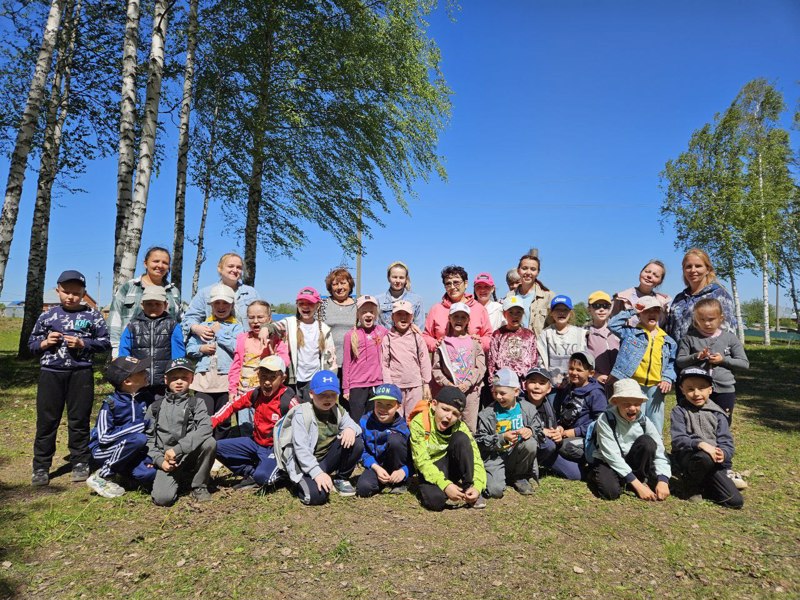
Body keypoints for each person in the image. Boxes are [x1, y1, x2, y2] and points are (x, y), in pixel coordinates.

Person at [29, 270, 112, 487]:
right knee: (47, 421)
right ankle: (41, 466)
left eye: (76, 293)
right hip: (51, 374)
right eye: (66, 292)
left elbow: (104, 343)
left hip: (81, 373)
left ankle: (80, 462)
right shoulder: (47, 315)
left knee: (79, 420)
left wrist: (84, 344)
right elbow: (32, 344)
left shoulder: (93, 315)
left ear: (84, 293)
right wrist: (46, 343)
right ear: (58, 291)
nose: (71, 297)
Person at [276, 370, 364, 505]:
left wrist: (350, 429)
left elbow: (355, 426)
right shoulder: (302, 414)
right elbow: (301, 450)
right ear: (311, 394)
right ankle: (297, 480)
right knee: (317, 496)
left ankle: (340, 479)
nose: (328, 399)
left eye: (332, 395)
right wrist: (317, 473)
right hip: (304, 464)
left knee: (356, 441)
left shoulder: (338, 410)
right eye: (322, 395)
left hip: (326, 459)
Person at [213, 356, 299, 490]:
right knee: (214, 447)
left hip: (275, 449)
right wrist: (212, 421)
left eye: (273, 377)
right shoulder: (255, 394)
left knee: (263, 477)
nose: (267, 382)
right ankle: (251, 473)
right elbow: (232, 405)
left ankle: (281, 473)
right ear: (258, 376)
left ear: (283, 378)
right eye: (263, 376)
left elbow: (305, 424)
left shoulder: (289, 400)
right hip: (255, 443)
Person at [586, 378, 671, 502]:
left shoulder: (644, 421)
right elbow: (611, 456)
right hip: (608, 461)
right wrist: (637, 485)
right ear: (615, 402)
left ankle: (634, 479)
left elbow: (659, 450)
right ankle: (597, 474)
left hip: (631, 459)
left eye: (637, 404)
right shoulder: (605, 420)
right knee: (611, 493)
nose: (633, 408)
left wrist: (663, 480)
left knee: (648, 442)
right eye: (626, 404)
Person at [146, 358, 216, 506]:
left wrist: (178, 449)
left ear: (191, 379)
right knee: (162, 499)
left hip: (188, 453)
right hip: (167, 459)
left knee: (210, 443)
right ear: (166, 379)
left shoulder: (196, 403)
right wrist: (159, 461)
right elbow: (148, 438)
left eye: (184, 378)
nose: (179, 382)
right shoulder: (155, 407)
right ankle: (180, 479)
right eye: (174, 378)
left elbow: (206, 428)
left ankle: (199, 485)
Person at [670, 367, 744, 507]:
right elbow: (678, 440)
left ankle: (706, 483)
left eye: (702, 388)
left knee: (735, 501)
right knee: (704, 457)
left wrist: (724, 453)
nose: (696, 393)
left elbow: (726, 442)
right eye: (690, 389)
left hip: (714, 462)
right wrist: (700, 444)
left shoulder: (718, 414)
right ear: (682, 390)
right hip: (690, 458)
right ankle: (690, 486)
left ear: (710, 389)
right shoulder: (679, 411)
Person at [86, 357, 156, 498]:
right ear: (127, 381)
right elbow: (104, 438)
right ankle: (103, 476)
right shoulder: (111, 404)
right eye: (141, 371)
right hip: (105, 451)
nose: (146, 373)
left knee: (150, 473)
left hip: (134, 450)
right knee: (138, 439)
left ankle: (125, 476)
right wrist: (138, 426)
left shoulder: (146, 398)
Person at [409, 387, 487, 511]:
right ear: (434, 405)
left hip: (450, 464)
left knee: (462, 438)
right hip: (430, 466)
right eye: (445, 409)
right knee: (435, 502)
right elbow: (422, 461)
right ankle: (445, 487)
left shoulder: (460, 427)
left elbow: (476, 458)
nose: (449, 416)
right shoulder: (419, 422)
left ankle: (468, 487)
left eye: (455, 413)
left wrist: (478, 486)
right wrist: (445, 485)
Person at [609, 297, 677, 434]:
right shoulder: (631, 333)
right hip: (634, 384)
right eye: (646, 311)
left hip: (656, 386)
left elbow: (671, 363)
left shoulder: (667, 340)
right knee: (635, 417)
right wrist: (632, 311)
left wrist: (667, 378)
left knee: (655, 419)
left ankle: (656, 448)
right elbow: (612, 324)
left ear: (660, 314)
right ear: (640, 314)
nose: (651, 314)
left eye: (656, 311)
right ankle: (634, 446)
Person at [675, 298, 749, 424]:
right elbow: (680, 362)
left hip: (724, 390)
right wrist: (696, 356)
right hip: (696, 390)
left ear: (721, 318)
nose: (707, 323)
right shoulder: (689, 338)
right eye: (702, 320)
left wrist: (723, 360)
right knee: (695, 421)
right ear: (695, 319)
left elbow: (744, 363)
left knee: (722, 422)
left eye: (711, 319)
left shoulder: (730, 338)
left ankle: (720, 444)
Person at [186, 284, 243, 440]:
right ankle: (203, 447)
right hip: (204, 381)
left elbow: (238, 348)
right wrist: (201, 349)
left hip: (226, 381)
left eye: (225, 303)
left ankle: (220, 450)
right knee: (203, 417)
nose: (221, 307)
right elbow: (190, 349)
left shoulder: (237, 328)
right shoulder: (202, 327)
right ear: (210, 305)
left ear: (232, 305)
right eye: (217, 303)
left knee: (224, 419)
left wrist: (221, 333)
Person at [263, 286, 336, 398]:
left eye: (310, 303)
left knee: (309, 411)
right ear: (297, 305)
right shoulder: (289, 323)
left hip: (314, 380)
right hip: (293, 380)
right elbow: (275, 327)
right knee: (293, 410)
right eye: (302, 303)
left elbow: (331, 359)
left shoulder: (324, 329)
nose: (305, 307)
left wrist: (330, 380)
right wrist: (265, 329)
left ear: (318, 305)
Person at [475, 369, 539, 498]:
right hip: (495, 456)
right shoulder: (487, 414)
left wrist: (530, 430)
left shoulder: (528, 408)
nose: (498, 397)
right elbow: (480, 440)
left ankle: (520, 477)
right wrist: (502, 437)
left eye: (502, 393)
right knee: (495, 491)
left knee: (530, 442)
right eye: (495, 393)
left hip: (517, 453)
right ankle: (499, 476)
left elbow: (539, 429)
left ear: (516, 391)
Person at [228, 301, 289, 436]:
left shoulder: (276, 340)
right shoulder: (242, 338)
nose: (255, 321)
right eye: (251, 317)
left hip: (267, 396)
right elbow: (236, 365)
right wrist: (232, 389)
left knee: (266, 429)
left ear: (269, 318)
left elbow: (285, 362)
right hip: (244, 393)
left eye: (260, 317)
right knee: (245, 428)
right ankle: (247, 453)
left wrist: (273, 353)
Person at [108, 247, 181, 357]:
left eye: (165, 263)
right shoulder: (129, 287)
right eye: (156, 261)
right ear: (145, 263)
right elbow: (115, 318)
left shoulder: (173, 291)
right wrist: (116, 350)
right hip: (130, 352)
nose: (160, 265)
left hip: (164, 356)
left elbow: (179, 320)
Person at [118, 286, 185, 400]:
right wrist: (127, 374)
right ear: (142, 305)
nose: (153, 307)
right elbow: (124, 354)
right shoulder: (132, 326)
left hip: (163, 383)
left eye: (157, 304)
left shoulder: (172, 326)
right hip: (139, 381)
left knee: (162, 413)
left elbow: (178, 356)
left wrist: (174, 376)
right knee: (141, 413)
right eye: (149, 304)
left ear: (165, 305)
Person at [667, 248, 738, 345]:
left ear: (707, 269)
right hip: (678, 357)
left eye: (698, 266)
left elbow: (728, 332)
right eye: (688, 266)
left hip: (705, 356)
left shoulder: (719, 295)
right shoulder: (679, 299)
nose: (693, 270)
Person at [522, 367, 581, 480]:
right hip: (526, 448)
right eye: (532, 382)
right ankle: (525, 469)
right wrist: (540, 431)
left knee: (575, 474)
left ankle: (539, 462)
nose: (537, 386)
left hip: (547, 449)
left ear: (549, 389)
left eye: (542, 383)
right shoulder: (518, 403)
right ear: (525, 385)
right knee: (548, 445)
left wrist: (558, 433)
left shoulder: (550, 404)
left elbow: (557, 425)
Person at [182, 252, 260, 338]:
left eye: (239, 267)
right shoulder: (205, 293)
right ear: (220, 268)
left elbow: (263, 318)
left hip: (247, 345)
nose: (235, 270)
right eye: (230, 266)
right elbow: (189, 318)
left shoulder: (251, 293)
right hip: (217, 347)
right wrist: (196, 328)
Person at [356, 384, 411, 497]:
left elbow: (413, 457)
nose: (382, 409)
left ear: (398, 406)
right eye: (379, 404)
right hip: (376, 465)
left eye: (389, 405)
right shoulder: (365, 421)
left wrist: (404, 471)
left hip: (398, 466)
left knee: (395, 440)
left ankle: (400, 482)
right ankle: (384, 480)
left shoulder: (404, 427)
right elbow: (362, 450)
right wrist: (375, 467)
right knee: (363, 488)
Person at [552, 351, 607, 463]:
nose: (573, 372)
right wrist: (561, 426)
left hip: (587, 437)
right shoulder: (569, 388)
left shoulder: (596, 393)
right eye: (571, 368)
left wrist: (576, 432)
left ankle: (594, 461)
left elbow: (601, 421)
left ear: (591, 373)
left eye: (579, 370)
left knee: (565, 447)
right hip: (568, 433)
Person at [381, 300, 432, 418]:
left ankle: (413, 437)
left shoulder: (417, 337)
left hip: (415, 386)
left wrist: (426, 383)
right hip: (396, 386)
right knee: (395, 417)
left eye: (406, 314)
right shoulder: (387, 339)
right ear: (392, 317)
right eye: (399, 314)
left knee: (414, 417)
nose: (403, 318)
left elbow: (424, 360)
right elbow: (385, 364)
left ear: (412, 317)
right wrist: (389, 385)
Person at [423, 265, 492, 353]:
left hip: (472, 364)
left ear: (465, 283)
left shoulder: (479, 309)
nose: (452, 287)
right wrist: (435, 344)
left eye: (456, 282)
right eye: (448, 283)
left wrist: (479, 343)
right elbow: (425, 336)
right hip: (443, 363)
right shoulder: (436, 309)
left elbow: (489, 338)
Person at [342, 295, 388, 422]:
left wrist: (413, 327)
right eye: (364, 312)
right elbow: (346, 363)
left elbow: (397, 334)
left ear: (376, 314)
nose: (368, 315)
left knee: (374, 420)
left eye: (372, 312)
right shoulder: (350, 335)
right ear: (358, 315)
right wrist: (346, 388)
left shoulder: (382, 332)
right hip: (357, 386)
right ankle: (357, 441)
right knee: (356, 420)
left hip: (377, 384)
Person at [536, 295, 586, 388]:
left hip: (575, 384)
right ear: (551, 313)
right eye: (558, 310)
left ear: (570, 313)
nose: (561, 313)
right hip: (552, 386)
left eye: (565, 310)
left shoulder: (580, 333)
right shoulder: (545, 334)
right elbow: (541, 361)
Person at [487, 295, 538, 383]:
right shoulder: (498, 334)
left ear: (523, 313)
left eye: (518, 312)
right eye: (510, 312)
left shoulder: (529, 335)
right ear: (504, 314)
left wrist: (529, 382)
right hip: (503, 382)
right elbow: (492, 362)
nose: (515, 316)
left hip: (523, 383)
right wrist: (494, 383)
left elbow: (534, 361)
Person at [503, 254, 555, 335]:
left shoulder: (548, 297)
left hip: (540, 346)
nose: (528, 272)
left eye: (533, 269)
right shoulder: (509, 296)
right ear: (518, 271)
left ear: (538, 272)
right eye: (524, 268)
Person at [319, 267, 357, 376]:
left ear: (349, 285)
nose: (340, 287)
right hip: (328, 362)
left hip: (353, 363)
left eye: (343, 283)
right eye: (335, 284)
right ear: (330, 287)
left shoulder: (358, 305)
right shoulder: (322, 305)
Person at [611, 260, 671, 328]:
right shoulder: (622, 298)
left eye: (656, 275)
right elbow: (612, 323)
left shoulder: (663, 303)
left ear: (660, 282)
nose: (649, 276)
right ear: (640, 273)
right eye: (647, 271)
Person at [375, 261, 425, 330]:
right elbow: (376, 327)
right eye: (394, 277)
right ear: (388, 278)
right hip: (385, 339)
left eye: (401, 278)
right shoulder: (378, 300)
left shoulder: (416, 300)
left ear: (406, 279)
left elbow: (420, 328)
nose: (398, 281)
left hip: (409, 340)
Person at [584, 291, 619, 386]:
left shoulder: (619, 331)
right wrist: (595, 375)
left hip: (618, 382)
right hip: (595, 384)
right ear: (589, 309)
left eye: (605, 306)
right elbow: (582, 362)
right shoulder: (585, 333)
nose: (601, 309)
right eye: (597, 306)